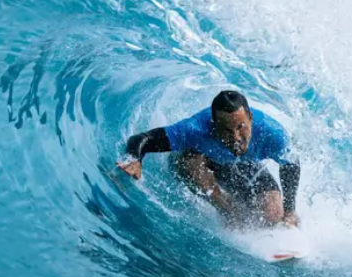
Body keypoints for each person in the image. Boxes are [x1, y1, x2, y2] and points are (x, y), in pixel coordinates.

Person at [117, 90, 300, 228]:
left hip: (238, 164)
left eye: (241, 127)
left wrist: (290, 210)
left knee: (273, 215)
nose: (236, 137)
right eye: (227, 131)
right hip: (197, 163)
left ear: (250, 118)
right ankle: (226, 209)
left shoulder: (272, 133)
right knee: (190, 160)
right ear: (214, 125)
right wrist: (134, 159)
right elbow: (142, 139)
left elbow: (291, 164)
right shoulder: (195, 130)